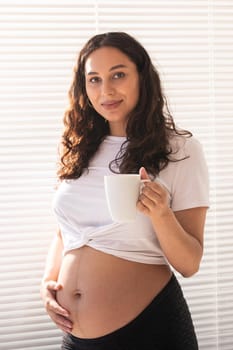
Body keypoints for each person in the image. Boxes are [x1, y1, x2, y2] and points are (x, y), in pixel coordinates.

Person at [40, 32, 209, 350]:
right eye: (94, 79)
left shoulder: (180, 150)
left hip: (149, 331)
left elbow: (190, 263)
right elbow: (66, 232)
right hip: (76, 338)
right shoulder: (79, 148)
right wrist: (47, 284)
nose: (106, 90)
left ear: (142, 78)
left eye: (118, 74)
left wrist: (161, 214)